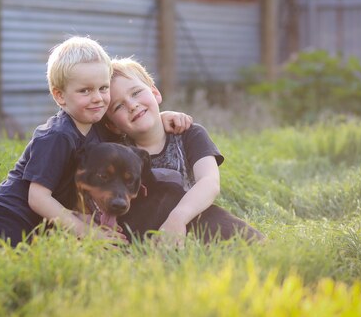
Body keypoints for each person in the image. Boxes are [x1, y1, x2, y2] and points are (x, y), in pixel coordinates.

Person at [0, 37, 191, 247]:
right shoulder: (57, 136)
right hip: (8, 218)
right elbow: (37, 198)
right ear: (60, 96)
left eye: (103, 88)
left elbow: (127, 129)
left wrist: (161, 118)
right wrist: (86, 232)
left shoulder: (97, 128)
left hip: (43, 224)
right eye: (85, 90)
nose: (97, 97)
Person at [103, 57, 264, 243]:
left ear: (155, 93)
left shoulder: (189, 134)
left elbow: (209, 181)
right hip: (144, 234)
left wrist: (177, 219)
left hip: (196, 222)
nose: (132, 105)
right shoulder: (119, 153)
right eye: (118, 106)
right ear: (112, 126)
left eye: (136, 92)